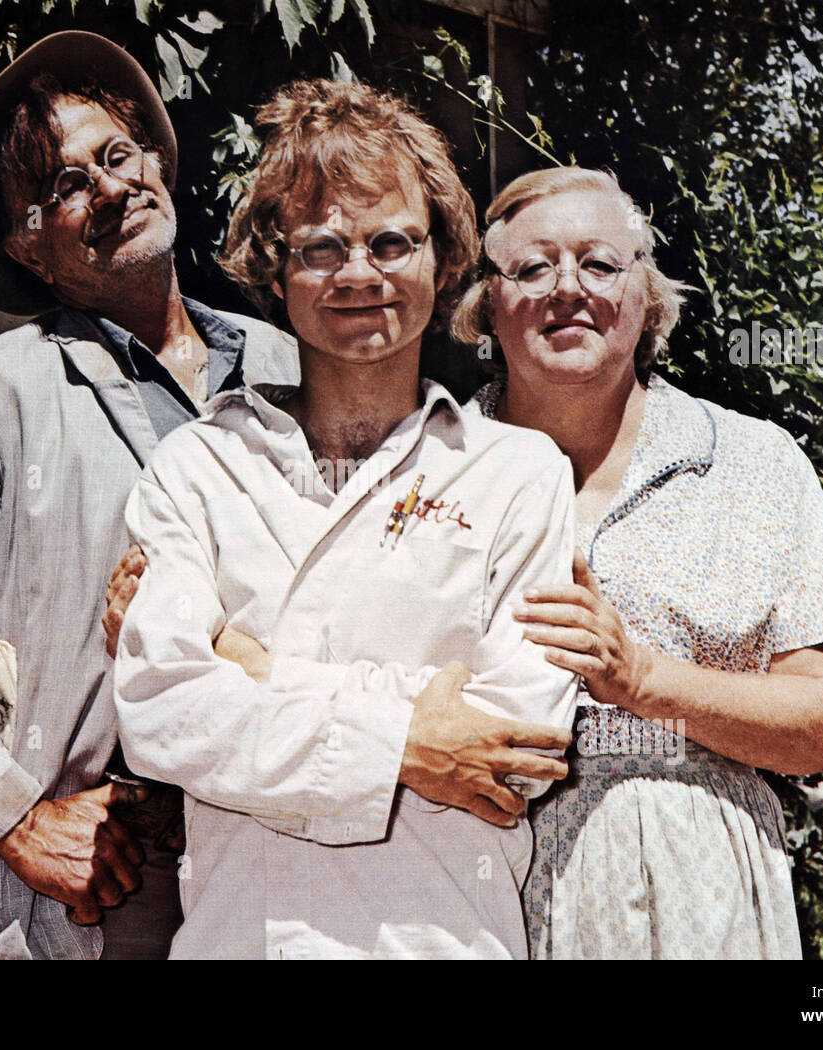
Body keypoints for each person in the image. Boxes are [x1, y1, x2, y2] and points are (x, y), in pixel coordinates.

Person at [0, 31, 296, 960]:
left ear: (156, 161)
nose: (110, 188)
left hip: (260, 877)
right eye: (65, 187)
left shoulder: (286, 368)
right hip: (72, 907)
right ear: (28, 250)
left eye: (118, 157)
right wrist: (13, 817)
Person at [111, 80, 581, 959]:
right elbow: (162, 713)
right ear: (272, 270)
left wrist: (250, 670)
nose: (359, 273)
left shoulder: (518, 475)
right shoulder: (198, 470)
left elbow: (518, 744)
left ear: (443, 266)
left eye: (393, 241)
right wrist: (413, 735)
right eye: (321, 246)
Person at [450, 166, 823, 958]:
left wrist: (642, 681)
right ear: (488, 307)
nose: (566, 289)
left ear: (648, 297)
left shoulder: (752, 462)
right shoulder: (431, 468)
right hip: (471, 885)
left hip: (699, 898)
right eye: (533, 267)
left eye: (600, 264)